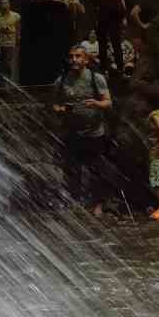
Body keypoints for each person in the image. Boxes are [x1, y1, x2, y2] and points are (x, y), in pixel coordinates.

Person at [53, 46, 112, 216]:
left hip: (94, 133)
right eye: (71, 57)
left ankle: (98, 203)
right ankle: (74, 203)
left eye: (78, 56)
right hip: (72, 133)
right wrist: (60, 109)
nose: (74, 60)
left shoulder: (96, 78)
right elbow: (53, 103)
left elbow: (108, 102)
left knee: (97, 171)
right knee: (72, 170)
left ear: (86, 60)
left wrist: (96, 103)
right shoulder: (62, 81)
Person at [86, 0, 130, 77]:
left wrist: (124, 17)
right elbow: (92, 0)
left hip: (114, 16)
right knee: (102, 43)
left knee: (116, 43)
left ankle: (121, 70)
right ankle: (104, 69)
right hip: (101, 15)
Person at [0, 0, 21, 84]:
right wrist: (0, 29)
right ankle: (2, 80)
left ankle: (8, 79)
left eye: (6, 3)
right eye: (2, 3)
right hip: (0, 42)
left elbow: (19, 29)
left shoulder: (16, 16)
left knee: (8, 61)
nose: (4, 5)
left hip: (11, 43)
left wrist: (16, 36)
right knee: (2, 62)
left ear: (9, 4)